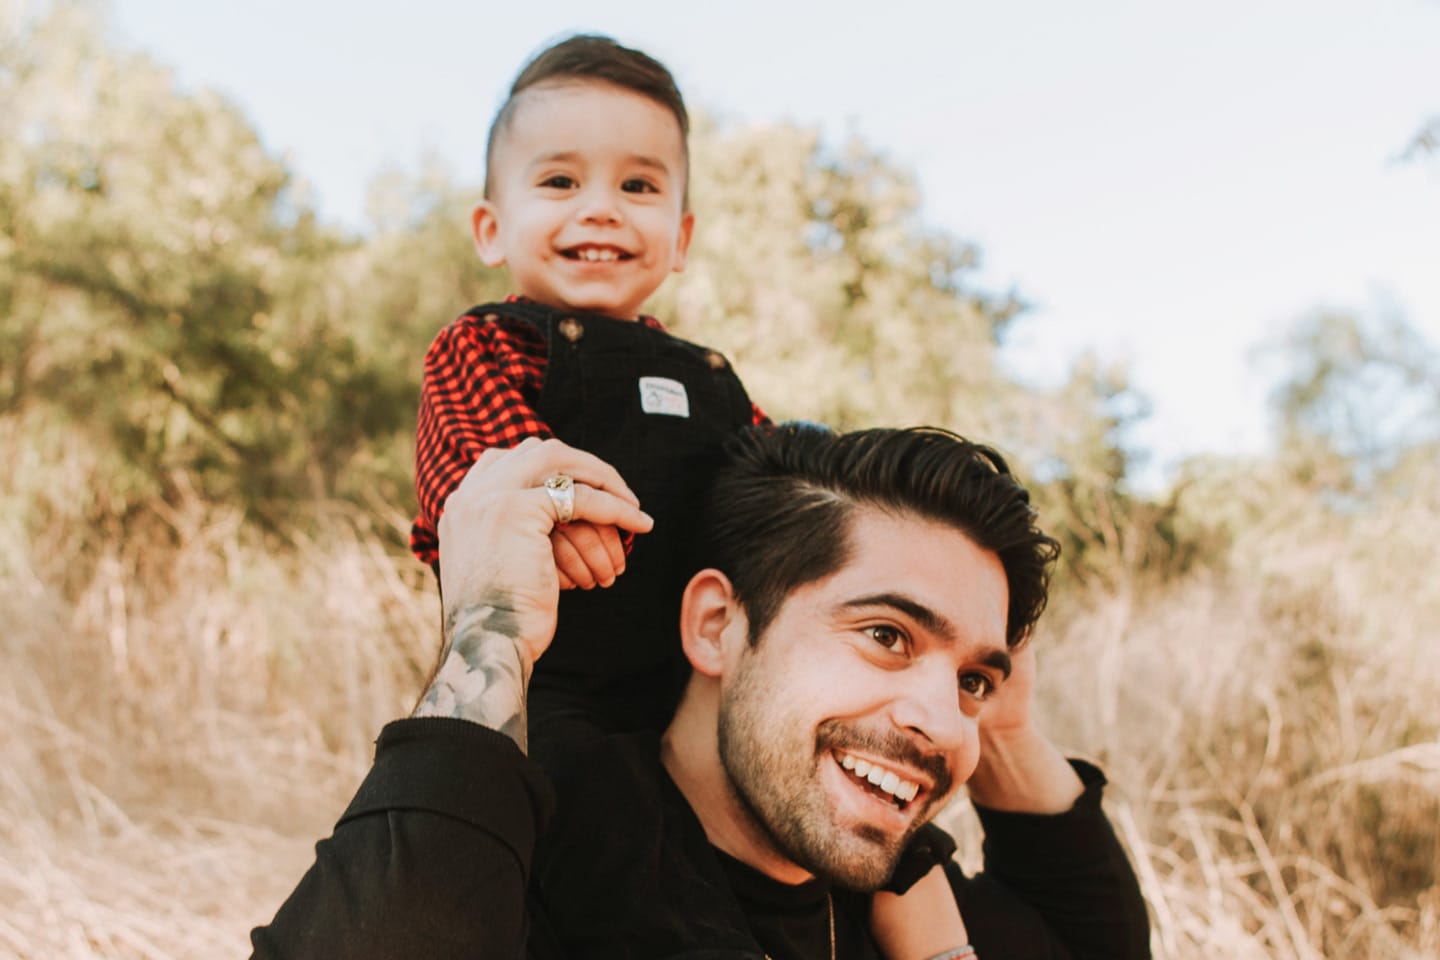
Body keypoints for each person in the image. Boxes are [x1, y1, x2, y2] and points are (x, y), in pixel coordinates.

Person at [406, 34, 971, 954]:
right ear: (491, 227)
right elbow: (476, 466)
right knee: (628, 865)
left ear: (682, 235)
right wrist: (556, 503)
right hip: (564, 688)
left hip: (706, 686)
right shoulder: (487, 348)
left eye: (638, 186)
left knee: (885, 825)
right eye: (559, 184)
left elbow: (781, 480)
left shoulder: (707, 376)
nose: (602, 210)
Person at [251, 425, 1153, 959]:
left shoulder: (899, 900)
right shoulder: (543, 860)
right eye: (886, 635)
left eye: (970, 679)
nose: (941, 720)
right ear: (718, 624)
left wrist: (1007, 724)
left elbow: (1098, 948)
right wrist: (491, 625)